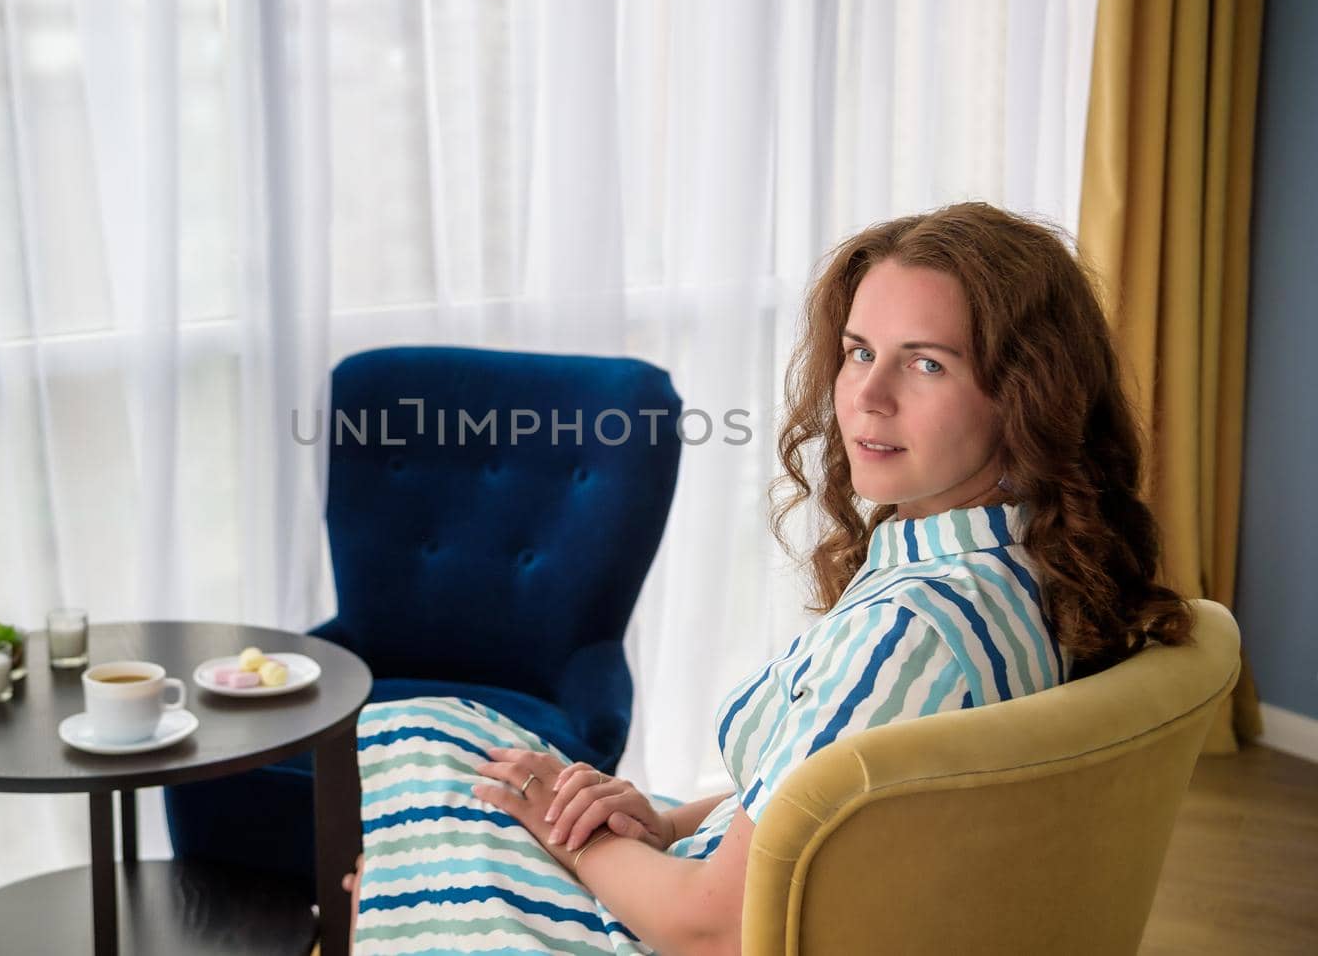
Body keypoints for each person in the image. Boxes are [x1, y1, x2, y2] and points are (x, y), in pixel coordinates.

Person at [339, 202, 1194, 954]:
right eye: (859, 352)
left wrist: (573, 844)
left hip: (680, 935)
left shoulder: (912, 632)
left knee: (414, 764)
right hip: (735, 883)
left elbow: (718, 930)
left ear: (1025, 395)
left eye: (926, 362)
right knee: (438, 741)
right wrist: (661, 821)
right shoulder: (1026, 569)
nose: (866, 397)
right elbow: (831, 802)